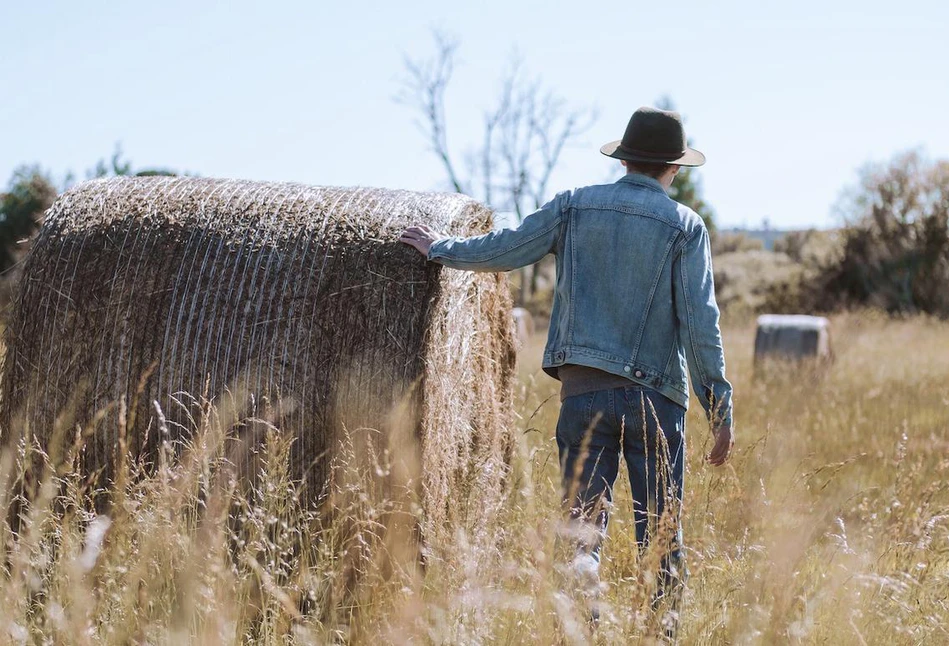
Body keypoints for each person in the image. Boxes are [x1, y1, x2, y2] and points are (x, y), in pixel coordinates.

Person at [399, 106, 733, 629]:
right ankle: (662, 636)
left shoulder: (574, 206)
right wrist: (719, 409)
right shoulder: (684, 227)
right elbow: (699, 324)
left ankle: (585, 621)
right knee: (661, 538)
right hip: (657, 400)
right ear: (673, 168)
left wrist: (440, 248)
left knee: (580, 532)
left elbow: (507, 248)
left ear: (624, 159)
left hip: (584, 395)